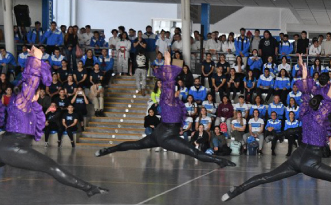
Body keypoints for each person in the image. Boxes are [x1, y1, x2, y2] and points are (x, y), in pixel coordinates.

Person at [222, 54, 331, 202]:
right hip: (311, 162)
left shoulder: (306, 110)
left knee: (266, 177)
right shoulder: (322, 115)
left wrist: (303, 68)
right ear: (323, 106)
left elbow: (306, 88)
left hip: (296, 157)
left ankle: (236, 190)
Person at [0, 46, 107, 196]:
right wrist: (35, 58)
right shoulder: (21, 101)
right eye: (36, 93)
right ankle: (89, 189)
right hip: (13, 148)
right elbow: (31, 79)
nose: (37, 95)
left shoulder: (24, 106)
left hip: (7, 146)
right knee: (51, 167)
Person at [95, 51, 235, 168]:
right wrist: (167, 62)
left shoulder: (174, 103)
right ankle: (220, 161)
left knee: (136, 144)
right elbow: (169, 81)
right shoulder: (168, 100)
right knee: (194, 153)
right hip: (166, 137)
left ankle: (109, 150)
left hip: (160, 132)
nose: (176, 91)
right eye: (174, 91)